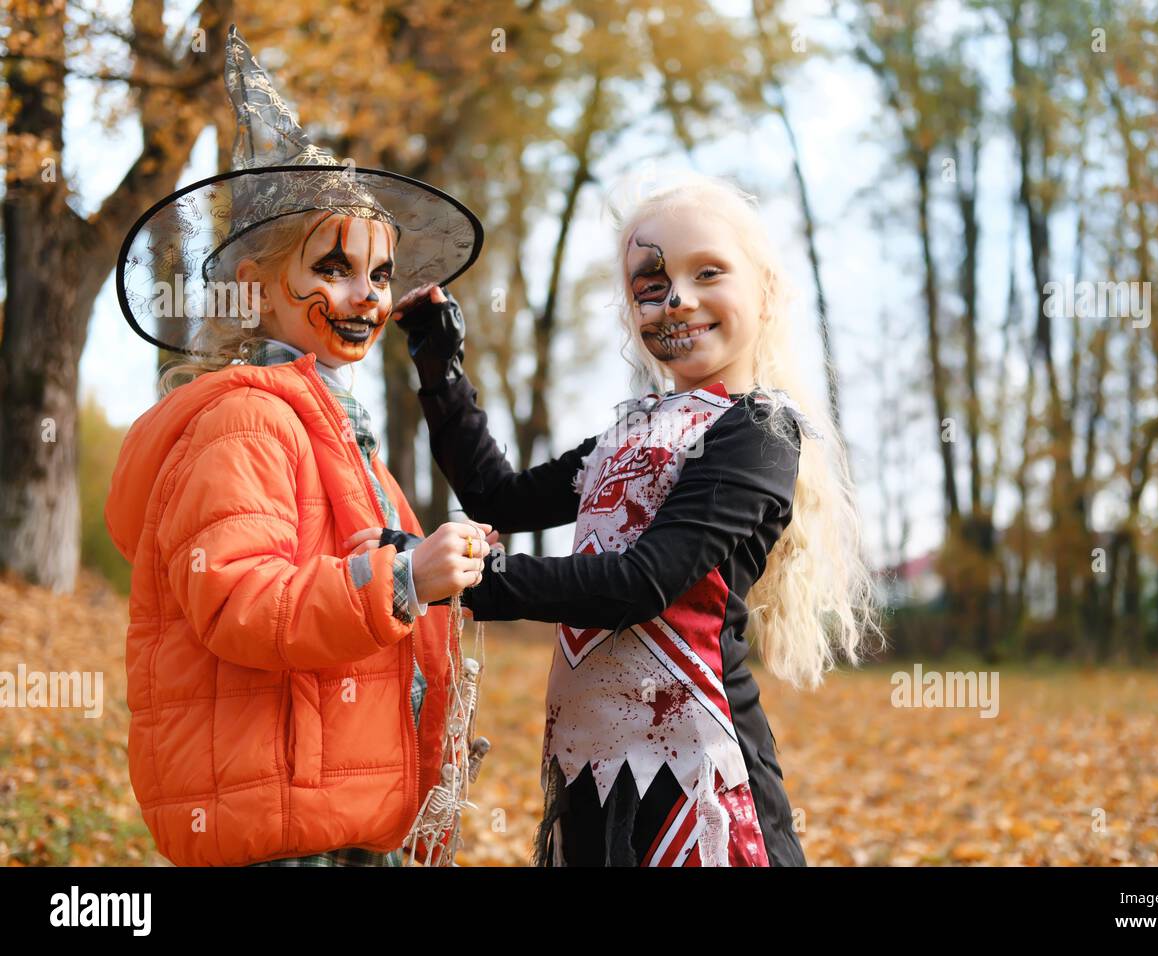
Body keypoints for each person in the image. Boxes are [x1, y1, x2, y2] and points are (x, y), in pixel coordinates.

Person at [389, 173, 886, 866]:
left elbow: (641, 582)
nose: (676, 300)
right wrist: (439, 366)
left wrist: (464, 580)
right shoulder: (628, 435)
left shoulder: (760, 432)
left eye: (707, 271)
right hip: (588, 766)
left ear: (766, 291)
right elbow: (499, 499)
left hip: (697, 779)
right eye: (650, 284)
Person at [104, 25, 490, 866]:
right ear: (254, 286)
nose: (366, 297)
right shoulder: (246, 420)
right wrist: (404, 577)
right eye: (335, 267)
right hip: (278, 823)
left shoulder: (340, 431)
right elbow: (238, 599)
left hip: (338, 807)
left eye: (381, 276)